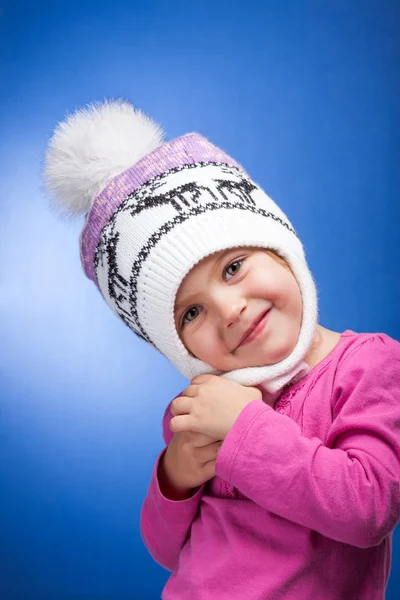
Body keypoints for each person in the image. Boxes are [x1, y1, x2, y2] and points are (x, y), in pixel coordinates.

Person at [44, 99, 400, 600]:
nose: (229, 309)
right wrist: (176, 477)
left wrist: (245, 431)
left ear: (281, 249)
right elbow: (169, 552)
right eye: (191, 313)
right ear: (177, 347)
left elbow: (369, 509)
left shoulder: (368, 366)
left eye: (233, 267)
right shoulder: (198, 408)